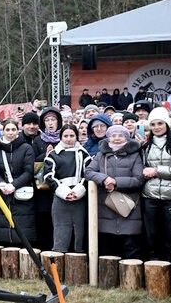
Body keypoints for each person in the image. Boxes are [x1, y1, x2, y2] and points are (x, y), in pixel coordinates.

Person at [85, 125, 144, 259]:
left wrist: (116, 182)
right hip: (106, 209)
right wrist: (104, 179)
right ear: (108, 138)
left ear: (127, 138)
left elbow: (139, 179)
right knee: (108, 253)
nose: (116, 138)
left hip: (129, 208)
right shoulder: (101, 155)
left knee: (131, 252)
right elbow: (88, 172)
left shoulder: (135, 155)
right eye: (113, 135)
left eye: (121, 135)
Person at [140, 107, 171, 262]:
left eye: (160, 123)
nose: (156, 127)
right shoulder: (146, 146)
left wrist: (157, 171)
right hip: (150, 196)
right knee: (152, 237)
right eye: (153, 124)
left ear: (166, 123)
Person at [43, 124, 91, 252]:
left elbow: (89, 174)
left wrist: (78, 191)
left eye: (72, 136)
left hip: (79, 198)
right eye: (65, 136)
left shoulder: (83, 154)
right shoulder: (53, 155)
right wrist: (64, 192)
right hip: (61, 198)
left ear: (77, 137)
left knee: (79, 232)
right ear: (61, 137)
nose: (68, 139)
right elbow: (48, 176)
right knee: (61, 231)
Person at [0, 118, 36, 246]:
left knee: (22, 234)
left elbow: (28, 172)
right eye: (8, 130)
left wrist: (14, 185)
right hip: (4, 193)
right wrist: (1, 184)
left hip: (22, 194)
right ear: (3, 131)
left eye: (13, 129)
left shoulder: (26, 148)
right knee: (4, 233)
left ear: (18, 131)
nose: (10, 132)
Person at [32, 107, 63, 251]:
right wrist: (45, 155)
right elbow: (33, 163)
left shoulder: (65, 138)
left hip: (61, 187)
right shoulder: (38, 140)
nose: (50, 123)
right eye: (47, 120)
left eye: (53, 119)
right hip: (43, 189)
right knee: (44, 221)